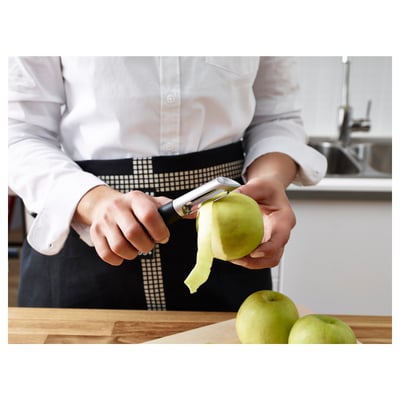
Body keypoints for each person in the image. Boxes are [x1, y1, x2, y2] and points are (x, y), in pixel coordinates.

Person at [8, 56, 327, 311]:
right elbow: (16, 132)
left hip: (229, 252)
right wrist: (95, 201)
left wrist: (270, 177)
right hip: (86, 240)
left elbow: (277, 118)